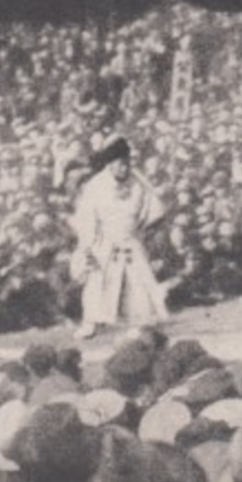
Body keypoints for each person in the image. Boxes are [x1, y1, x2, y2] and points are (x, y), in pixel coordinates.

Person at [69, 135, 169, 340]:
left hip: (130, 238)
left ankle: (138, 323)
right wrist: (87, 244)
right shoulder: (96, 186)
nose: (125, 168)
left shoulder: (138, 182)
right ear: (110, 164)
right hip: (104, 239)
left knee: (136, 282)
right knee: (97, 281)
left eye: (127, 163)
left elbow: (154, 208)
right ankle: (91, 323)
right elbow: (87, 216)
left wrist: (139, 230)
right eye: (120, 164)